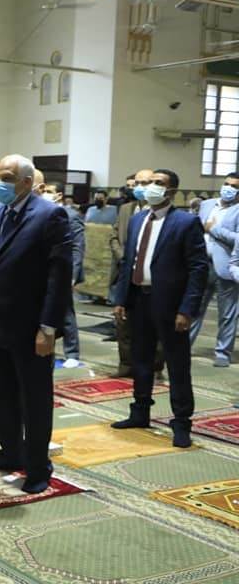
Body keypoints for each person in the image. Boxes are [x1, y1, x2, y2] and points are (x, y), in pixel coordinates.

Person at [0, 155, 72, 494]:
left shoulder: (50, 215)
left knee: (34, 400)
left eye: (7, 177)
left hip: (32, 329)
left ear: (27, 182)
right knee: (1, 396)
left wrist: (48, 328)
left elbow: (58, 278)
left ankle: (38, 467)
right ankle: (10, 452)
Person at [112, 168, 206, 448]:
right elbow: (129, 261)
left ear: (171, 191)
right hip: (139, 300)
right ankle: (140, 411)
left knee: (177, 364)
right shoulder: (138, 219)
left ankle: (182, 422)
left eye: (158, 183)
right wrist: (121, 299)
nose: (151, 186)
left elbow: (198, 268)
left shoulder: (185, 222)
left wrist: (187, 309)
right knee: (140, 360)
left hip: (171, 304)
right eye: (150, 181)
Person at [109, 169, 164, 378]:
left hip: (151, 276)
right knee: (123, 323)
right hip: (126, 274)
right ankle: (126, 365)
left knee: (154, 324)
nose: (140, 187)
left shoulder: (161, 212)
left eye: (145, 183)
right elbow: (114, 236)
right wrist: (124, 256)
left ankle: (155, 367)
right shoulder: (126, 209)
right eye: (137, 183)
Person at [189, 173, 239, 367]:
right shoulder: (207, 205)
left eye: (234, 186)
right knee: (194, 308)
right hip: (201, 265)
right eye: (227, 184)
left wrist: (214, 229)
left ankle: (222, 353)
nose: (229, 188)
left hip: (226, 267)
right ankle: (184, 347)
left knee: (227, 313)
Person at [44, 180, 84, 368]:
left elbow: (77, 247)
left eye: (49, 191)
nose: (45, 193)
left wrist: (72, 275)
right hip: (46, 269)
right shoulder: (43, 212)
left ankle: (72, 352)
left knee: (66, 313)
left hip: (64, 270)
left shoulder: (71, 215)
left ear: (59, 195)